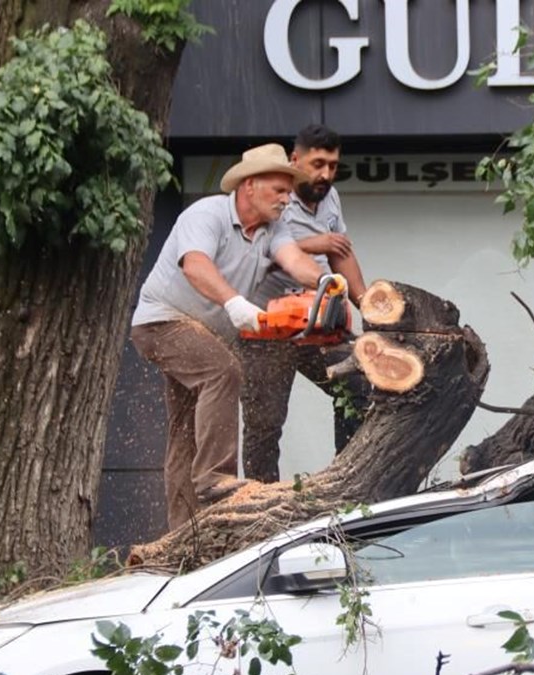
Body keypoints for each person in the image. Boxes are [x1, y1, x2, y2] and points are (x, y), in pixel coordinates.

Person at [130, 143, 329, 530]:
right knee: (223, 371)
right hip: (162, 322)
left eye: (289, 191)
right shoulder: (206, 215)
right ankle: (216, 478)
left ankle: (184, 533)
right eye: (279, 190)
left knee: (186, 432)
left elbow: (294, 259)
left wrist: (324, 281)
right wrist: (235, 302)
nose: (287, 199)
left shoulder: (274, 229)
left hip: (203, 332)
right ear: (250, 185)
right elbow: (195, 265)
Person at [239, 124, 369, 483]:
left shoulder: (331, 197)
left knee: (360, 383)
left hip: (317, 324)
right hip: (265, 328)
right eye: (317, 164)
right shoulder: (272, 195)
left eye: (332, 165)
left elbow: (340, 251)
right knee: (265, 425)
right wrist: (317, 243)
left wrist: (369, 308)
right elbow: (260, 246)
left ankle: (347, 482)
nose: (325, 174)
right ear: (294, 160)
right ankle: (260, 505)